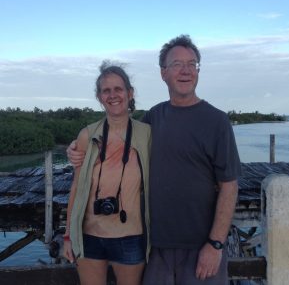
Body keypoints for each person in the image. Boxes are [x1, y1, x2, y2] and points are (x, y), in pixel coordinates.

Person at [68, 35, 241, 285]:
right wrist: (75, 149)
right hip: (154, 248)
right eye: (177, 64)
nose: (185, 70)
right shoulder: (152, 119)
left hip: (201, 247)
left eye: (192, 64)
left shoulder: (218, 122)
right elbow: (116, 132)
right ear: (163, 73)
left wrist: (215, 244)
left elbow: (229, 186)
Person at [63, 61, 151, 285]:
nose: (113, 95)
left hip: (131, 236)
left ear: (130, 93)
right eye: (106, 90)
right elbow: (76, 187)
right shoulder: (87, 135)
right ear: (99, 97)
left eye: (118, 89)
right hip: (89, 236)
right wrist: (68, 236)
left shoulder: (146, 134)